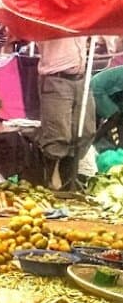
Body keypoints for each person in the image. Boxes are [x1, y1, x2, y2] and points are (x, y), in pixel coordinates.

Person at [37, 36, 95, 191]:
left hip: (81, 77)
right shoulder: (50, 14)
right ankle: (52, 179)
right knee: (58, 134)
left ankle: (69, 177)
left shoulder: (85, 14)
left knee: (86, 130)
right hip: (57, 77)